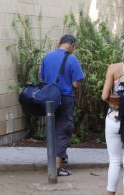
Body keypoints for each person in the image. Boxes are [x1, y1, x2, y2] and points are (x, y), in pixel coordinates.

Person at [40, 34, 84, 176]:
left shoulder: (47, 57)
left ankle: (55, 160)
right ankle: (57, 168)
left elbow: (42, 77)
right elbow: (76, 84)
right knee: (64, 129)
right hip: (65, 98)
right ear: (70, 45)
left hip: (49, 98)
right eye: (74, 47)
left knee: (52, 129)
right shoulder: (72, 59)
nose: (73, 49)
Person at [101, 39, 124, 195]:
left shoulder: (114, 68)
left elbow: (104, 96)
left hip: (114, 118)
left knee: (115, 161)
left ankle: (111, 193)